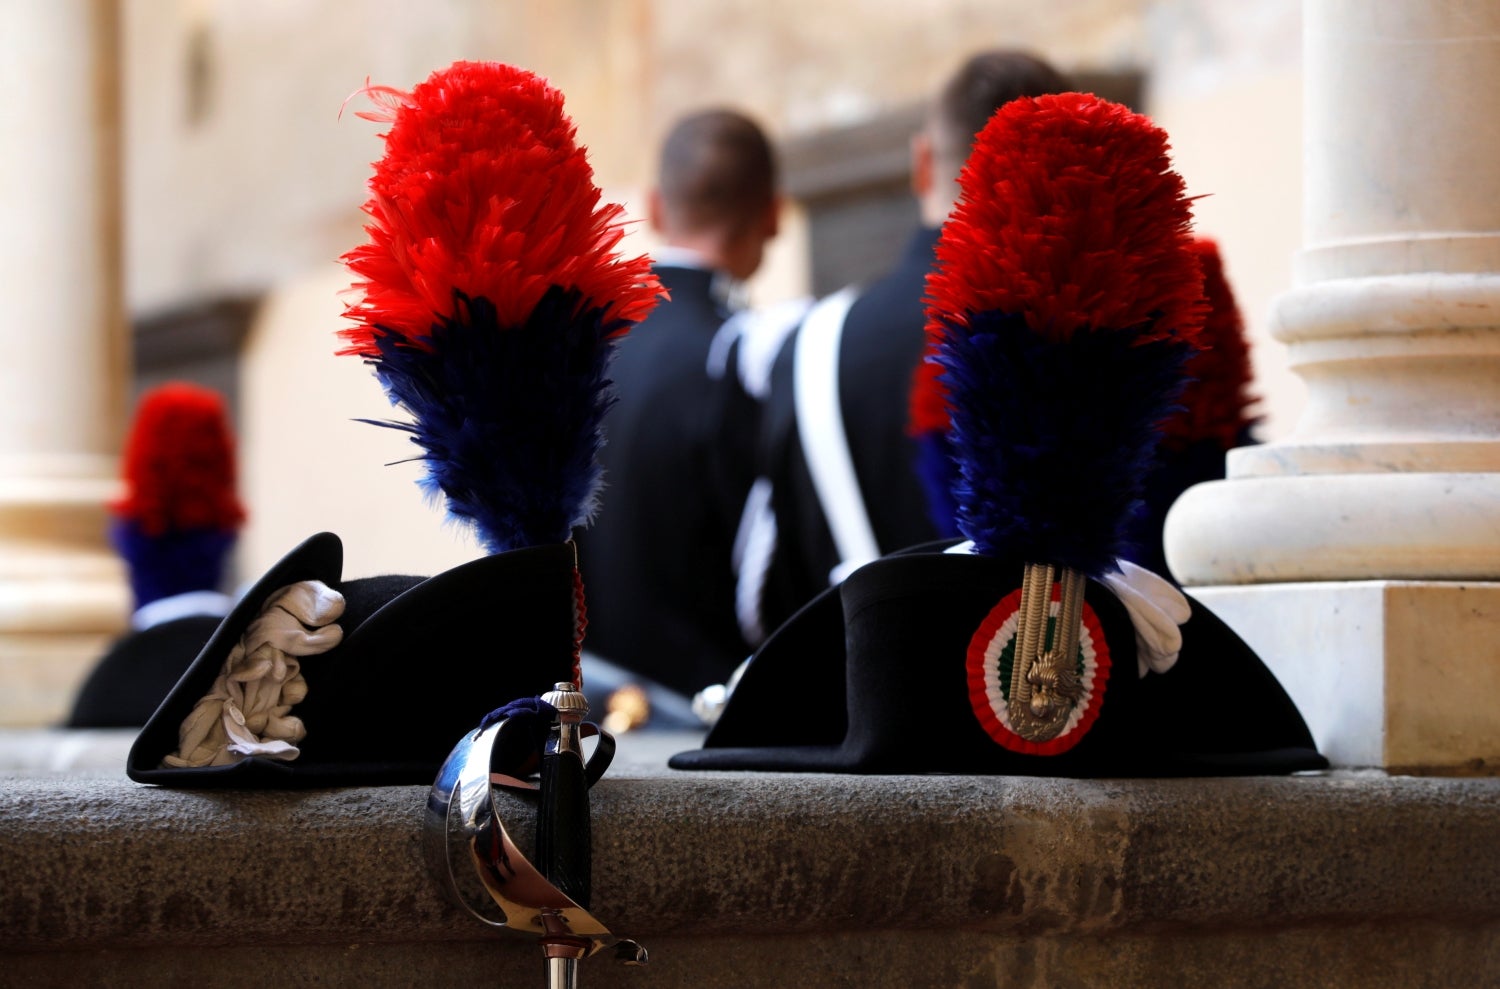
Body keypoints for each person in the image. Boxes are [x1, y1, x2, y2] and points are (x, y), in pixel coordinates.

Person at [741, 51, 1073, 637]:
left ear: (922, 163)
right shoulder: (1121, 341)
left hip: (869, 709)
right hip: (1075, 699)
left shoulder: (810, 347)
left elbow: (778, 586)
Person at [576, 108, 782, 700]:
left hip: (592, 710)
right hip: (713, 708)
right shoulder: (741, 351)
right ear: (770, 216)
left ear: (657, 206)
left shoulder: (584, 342)